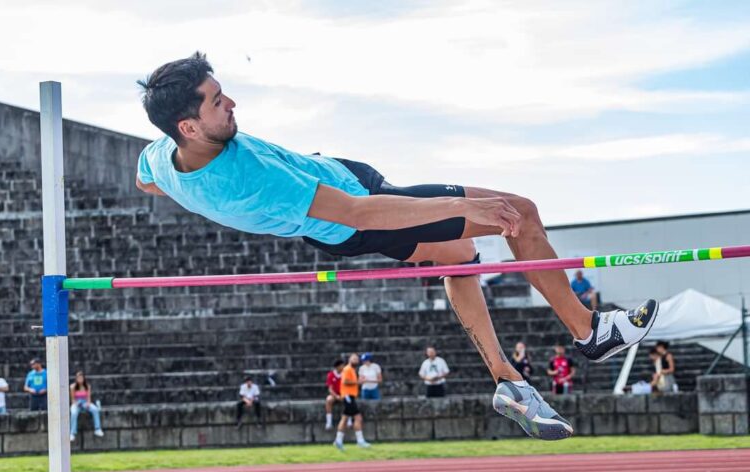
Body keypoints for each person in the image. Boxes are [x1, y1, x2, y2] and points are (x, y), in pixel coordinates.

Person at [135, 52, 661, 440]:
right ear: (189, 124)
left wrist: (191, 190)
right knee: (517, 213)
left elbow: (148, 183)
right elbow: (360, 212)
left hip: (347, 203)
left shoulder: (163, 157)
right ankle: (589, 330)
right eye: (217, 101)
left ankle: (508, 382)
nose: (231, 103)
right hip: (365, 211)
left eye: (223, 91)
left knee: (460, 261)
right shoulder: (249, 177)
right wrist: (463, 211)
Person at [333, 353, 371, 450]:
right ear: (350, 360)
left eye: (357, 359)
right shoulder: (348, 369)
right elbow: (345, 381)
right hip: (348, 396)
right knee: (358, 417)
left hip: (350, 396)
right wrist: (358, 382)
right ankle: (360, 441)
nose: (356, 360)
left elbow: (351, 383)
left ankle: (338, 440)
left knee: (345, 418)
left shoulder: (352, 370)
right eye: (354, 359)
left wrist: (359, 381)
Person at [69, 371, 104, 441]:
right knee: (74, 413)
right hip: (76, 403)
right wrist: (77, 404)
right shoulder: (72, 387)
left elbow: (88, 398)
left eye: (81, 378)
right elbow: (72, 399)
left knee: (95, 409)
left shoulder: (87, 386)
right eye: (78, 378)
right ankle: (72, 432)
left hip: (85, 403)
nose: (80, 379)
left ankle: (97, 429)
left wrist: (88, 403)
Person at [324, 358, 344, 430]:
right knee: (328, 400)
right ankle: (329, 422)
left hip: (343, 393)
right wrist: (336, 396)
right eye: (342, 365)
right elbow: (330, 389)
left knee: (348, 399)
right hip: (335, 394)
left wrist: (342, 395)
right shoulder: (331, 375)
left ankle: (349, 420)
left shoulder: (344, 374)